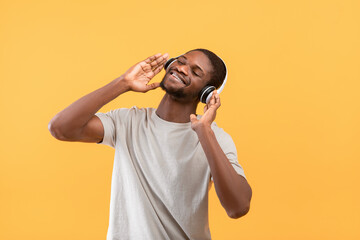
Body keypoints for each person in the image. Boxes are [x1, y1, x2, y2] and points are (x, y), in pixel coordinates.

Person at [48, 48, 252, 240]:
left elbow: (238, 207)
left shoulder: (215, 137)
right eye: (180, 61)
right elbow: (60, 129)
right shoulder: (128, 122)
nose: (181, 68)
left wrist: (204, 132)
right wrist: (123, 83)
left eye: (195, 72)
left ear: (206, 92)